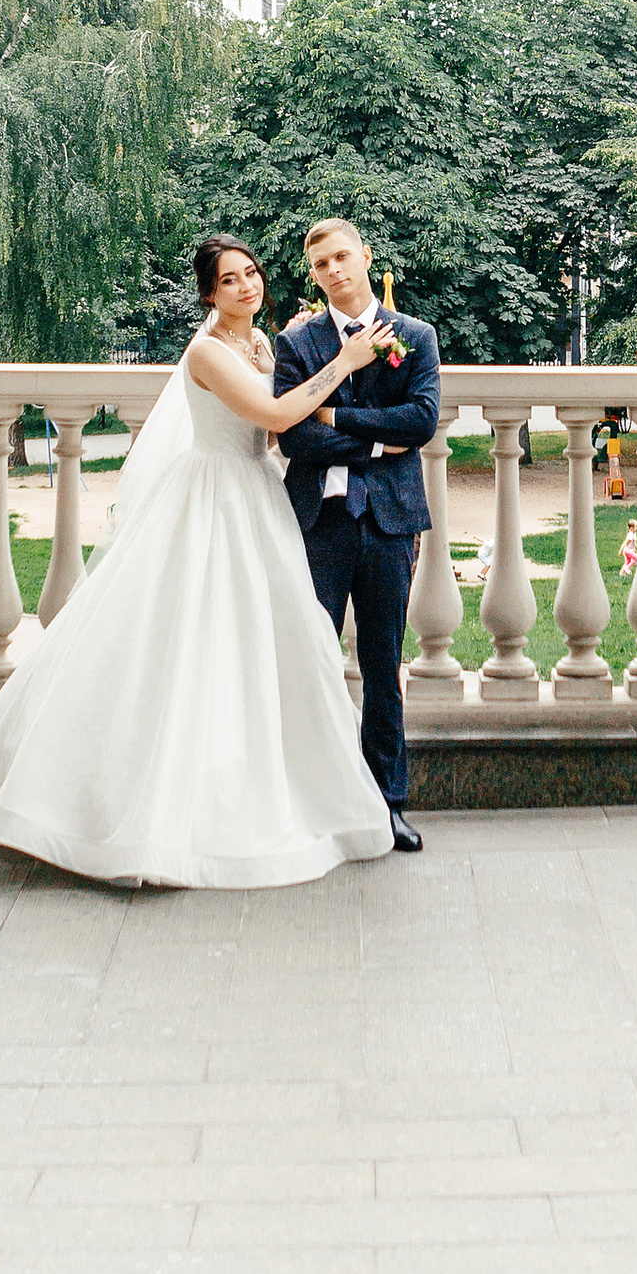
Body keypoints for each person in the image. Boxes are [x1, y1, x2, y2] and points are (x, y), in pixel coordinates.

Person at [0, 237, 401, 887]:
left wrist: (312, 358)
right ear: (209, 293)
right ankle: (143, 810)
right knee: (190, 644)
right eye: (229, 280)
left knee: (264, 645)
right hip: (211, 497)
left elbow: (275, 436)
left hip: (258, 493)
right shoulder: (207, 351)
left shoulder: (261, 344)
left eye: (251, 273)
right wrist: (346, 361)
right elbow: (271, 411)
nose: (246, 286)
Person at [273, 217, 442, 854]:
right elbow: (295, 436)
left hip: (390, 522)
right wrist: (377, 439)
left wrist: (338, 416)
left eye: (342, 257)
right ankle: (310, 802)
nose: (334, 270)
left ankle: (387, 804)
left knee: (382, 664)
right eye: (321, 264)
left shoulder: (415, 336)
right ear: (314, 275)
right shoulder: (297, 343)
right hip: (317, 523)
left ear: (366, 257)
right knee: (310, 663)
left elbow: (420, 421)